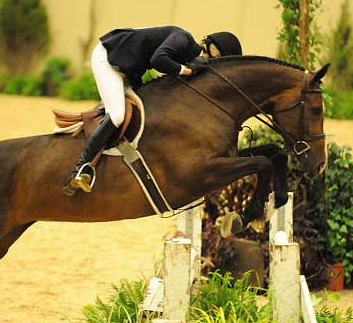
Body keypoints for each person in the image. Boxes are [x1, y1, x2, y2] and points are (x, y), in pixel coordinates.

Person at [63, 26, 242, 196]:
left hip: (128, 68)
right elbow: (158, 60)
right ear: (213, 48)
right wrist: (184, 70)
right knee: (117, 114)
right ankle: (82, 167)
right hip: (108, 58)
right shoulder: (183, 38)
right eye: (219, 58)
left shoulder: (190, 56)